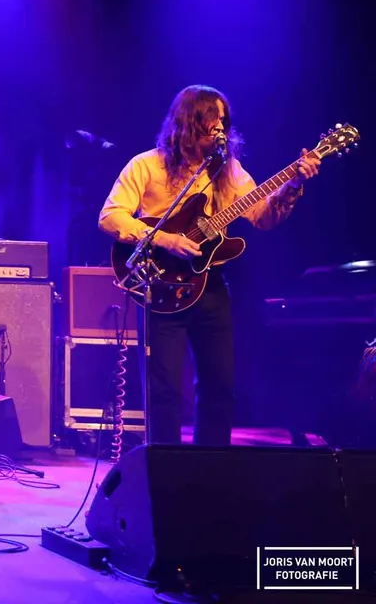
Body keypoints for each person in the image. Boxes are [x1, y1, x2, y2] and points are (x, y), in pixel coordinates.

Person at [99, 84, 319, 446]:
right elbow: (110, 217)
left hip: (210, 287)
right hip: (160, 285)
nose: (220, 127)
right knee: (163, 390)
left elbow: (263, 217)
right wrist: (164, 239)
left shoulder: (229, 172)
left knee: (219, 386)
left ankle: (212, 467)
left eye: (224, 120)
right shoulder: (146, 166)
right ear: (188, 121)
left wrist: (292, 185)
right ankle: (165, 467)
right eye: (211, 118)